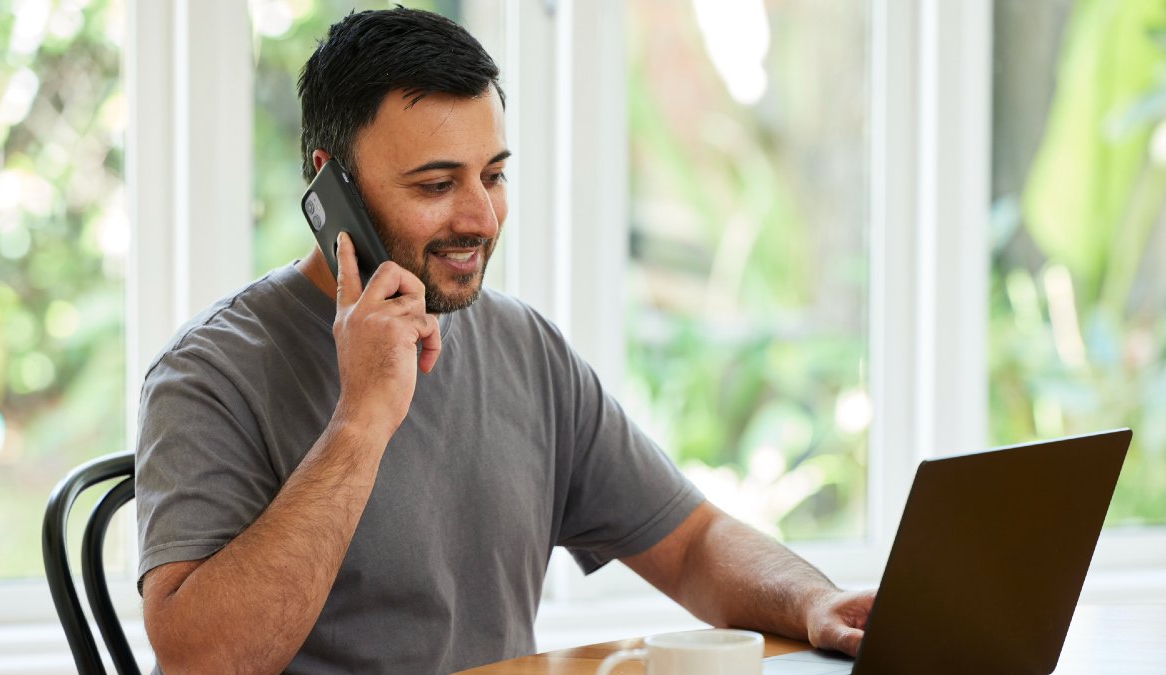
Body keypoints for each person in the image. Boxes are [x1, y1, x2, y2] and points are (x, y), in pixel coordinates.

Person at [134, 7, 874, 674]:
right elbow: (203, 661)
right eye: (435, 185)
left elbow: (688, 543)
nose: (482, 217)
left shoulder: (524, 347)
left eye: (493, 175)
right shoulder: (209, 373)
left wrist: (812, 601)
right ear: (334, 191)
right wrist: (360, 419)